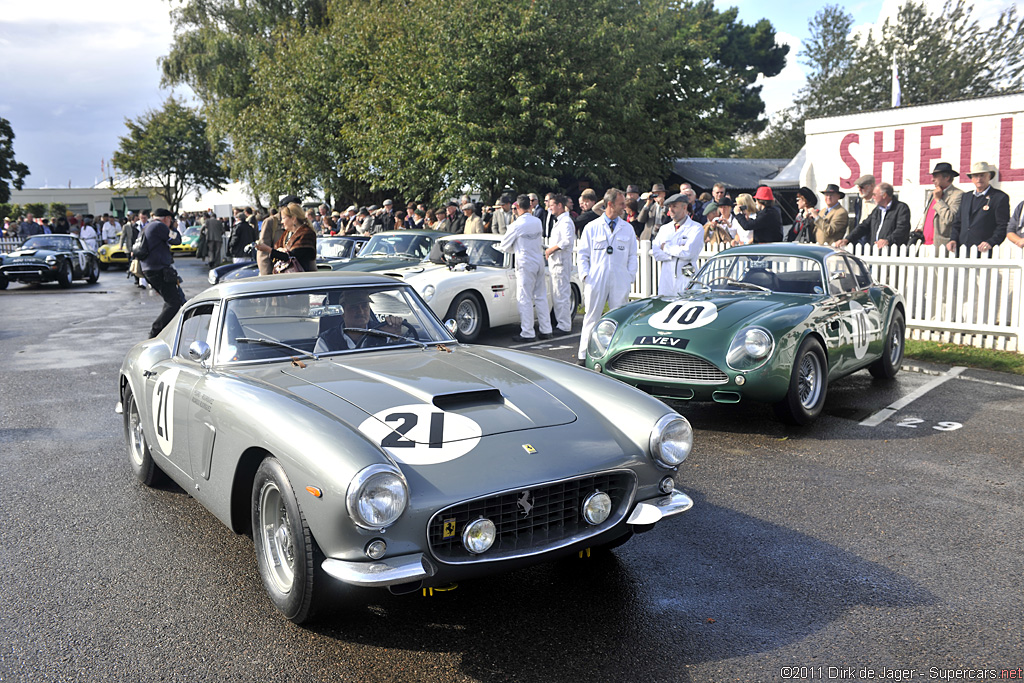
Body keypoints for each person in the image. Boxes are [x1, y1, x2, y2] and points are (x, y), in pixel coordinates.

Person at [576, 188, 637, 364]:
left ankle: (617, 357)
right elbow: (583, 254)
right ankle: (582, 355)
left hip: (619, 277)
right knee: (592, 316)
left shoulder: (627, 228)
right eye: (621, 204)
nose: (624, 207)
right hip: (597, 277)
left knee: (620, 317)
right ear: (609, 204)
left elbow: (633, 255)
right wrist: (586, 276)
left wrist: (629, 276)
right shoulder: (592, 227)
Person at [496, 194, 552, 342]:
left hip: (525, 263)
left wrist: (515, 247)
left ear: (518, 207)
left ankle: (527, 332)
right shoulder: (537, 221)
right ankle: (546, 329)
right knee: (540, 296)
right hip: (538, 261)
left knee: (524, 298)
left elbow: (504, 245)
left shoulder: (517, 224)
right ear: (530, 206)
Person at [314, 289, 406, 352]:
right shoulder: (326, 340)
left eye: (364, 306)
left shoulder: (383, 332)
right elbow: (320, 370)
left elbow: (400, 361)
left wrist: (396, 336)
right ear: (343, 311)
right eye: (354, 307)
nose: (361, 311)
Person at [140, 208, 184, 338]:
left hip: (150, 269)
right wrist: (174, 228)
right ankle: (156, 332)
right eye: (170, 220)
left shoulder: (148, 226)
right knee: (174, 302)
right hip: (159, 270)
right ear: (167, 218)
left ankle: (165, 331)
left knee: (172, 300)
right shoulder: (160, 226)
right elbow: (177, 240)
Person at [948, 161, 1009, 255]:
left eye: (982, 175)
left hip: (984, 250)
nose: (979, 179)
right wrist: (953, 239)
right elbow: (958, 222)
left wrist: (991, 242)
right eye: (976, 176)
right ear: (972, 179)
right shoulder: (966, 197)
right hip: (962, 249)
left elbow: (1002, 225)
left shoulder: (999, 197)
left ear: (989, 177)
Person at [654, 193, 704, 296]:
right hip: (666, 280)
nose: (671, 210)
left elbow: (688, 252)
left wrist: (666, 247)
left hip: (686, 278)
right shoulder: (664, 229)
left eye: (674, 206)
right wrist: (676, 253)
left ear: (684, 207)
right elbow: (656, 253)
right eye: (670, 207)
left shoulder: (696, 228)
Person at [837, 182, 911, 249]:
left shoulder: (901, 208)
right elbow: (864, 226)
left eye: (874, 195)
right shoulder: (877, 210)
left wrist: (888, 240)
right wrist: (847, 239)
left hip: (892, 252)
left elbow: (902, 230)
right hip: (875, 250)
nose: (873, 197)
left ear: (884, 195)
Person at [544, 193, 575, 335]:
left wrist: (551, 249)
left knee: (561, 295)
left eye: (552, 205)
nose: (549, 208)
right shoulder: (559, 221)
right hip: (556, 263)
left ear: (559, 205)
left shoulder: (566, 222)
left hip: (561, 263)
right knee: (557, 294)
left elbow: (567, 241)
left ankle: (564, 325)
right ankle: (561, 323)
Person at [255, 202, 317, 272]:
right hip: (286, 277)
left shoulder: (306, 234)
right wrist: (279, 251)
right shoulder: (287, 233)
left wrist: (269, 250)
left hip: (302, 278)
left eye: (284, 218)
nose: (282, 221)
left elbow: (292, 257)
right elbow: (277, 250)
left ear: (293, 218)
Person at [916, 162, 964, 250]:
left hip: (940, 245)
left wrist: (938, 200)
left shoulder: (958, 194)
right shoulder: (932, 194)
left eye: (935, 176)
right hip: (924, 243)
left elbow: (950, 218)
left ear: (947, 177)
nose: (932, 179)